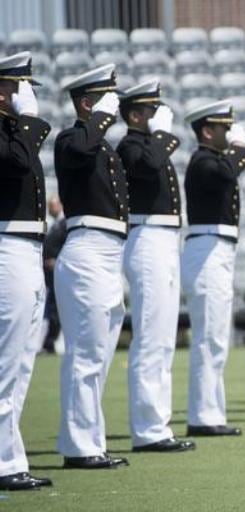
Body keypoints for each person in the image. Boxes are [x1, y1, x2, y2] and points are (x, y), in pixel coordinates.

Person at [55, 64, 130, 469]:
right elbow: (80, 148)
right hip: (86, 249)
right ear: (87, 102)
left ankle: (89, 440)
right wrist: (100, 116)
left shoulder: (102, 146)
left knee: (99, 352)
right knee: (86, 352)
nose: (112, 105)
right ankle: (80, 446)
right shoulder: (72, 139)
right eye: (104, 98)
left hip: (109, 253)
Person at [117, 79, 195, 453]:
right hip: (146, 237)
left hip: (164, 239)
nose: (157, 115)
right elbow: (149, 166)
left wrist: (159, 136)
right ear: (135, 115)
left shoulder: (148, 145)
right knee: (150, 336)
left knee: (163, 338)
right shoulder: (132, 146)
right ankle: (148, 429)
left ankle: (158, 424)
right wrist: (161, 134)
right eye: (151, 110)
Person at [182, 100, 245, 436]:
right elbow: (227, 173)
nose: (230, 133)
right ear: (208, 131)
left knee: (217, 336)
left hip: (219, 247)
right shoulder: (203, 162)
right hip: (207, 248)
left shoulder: (212, 161)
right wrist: (240, 148)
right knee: (209, 336)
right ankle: (203, 416)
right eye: (225, 128)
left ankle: (211, 412)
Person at [0, 51, 54, 490]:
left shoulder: (13, 131)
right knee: (5, 361)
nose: (24, 95)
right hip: (5, 246)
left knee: (21, 361)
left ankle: (10, 457)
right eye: (17, 87)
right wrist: (29, 120)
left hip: (26, 247)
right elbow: (17, 161)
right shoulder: (12, 134)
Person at [41, 196, 66, 355]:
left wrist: (57, 261)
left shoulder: (65, 224)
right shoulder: (51, 225)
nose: (51, 209)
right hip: (47, 275)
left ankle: (51, 342)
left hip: (59, 271)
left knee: (56, 309)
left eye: (54, 206)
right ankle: (48, 343)